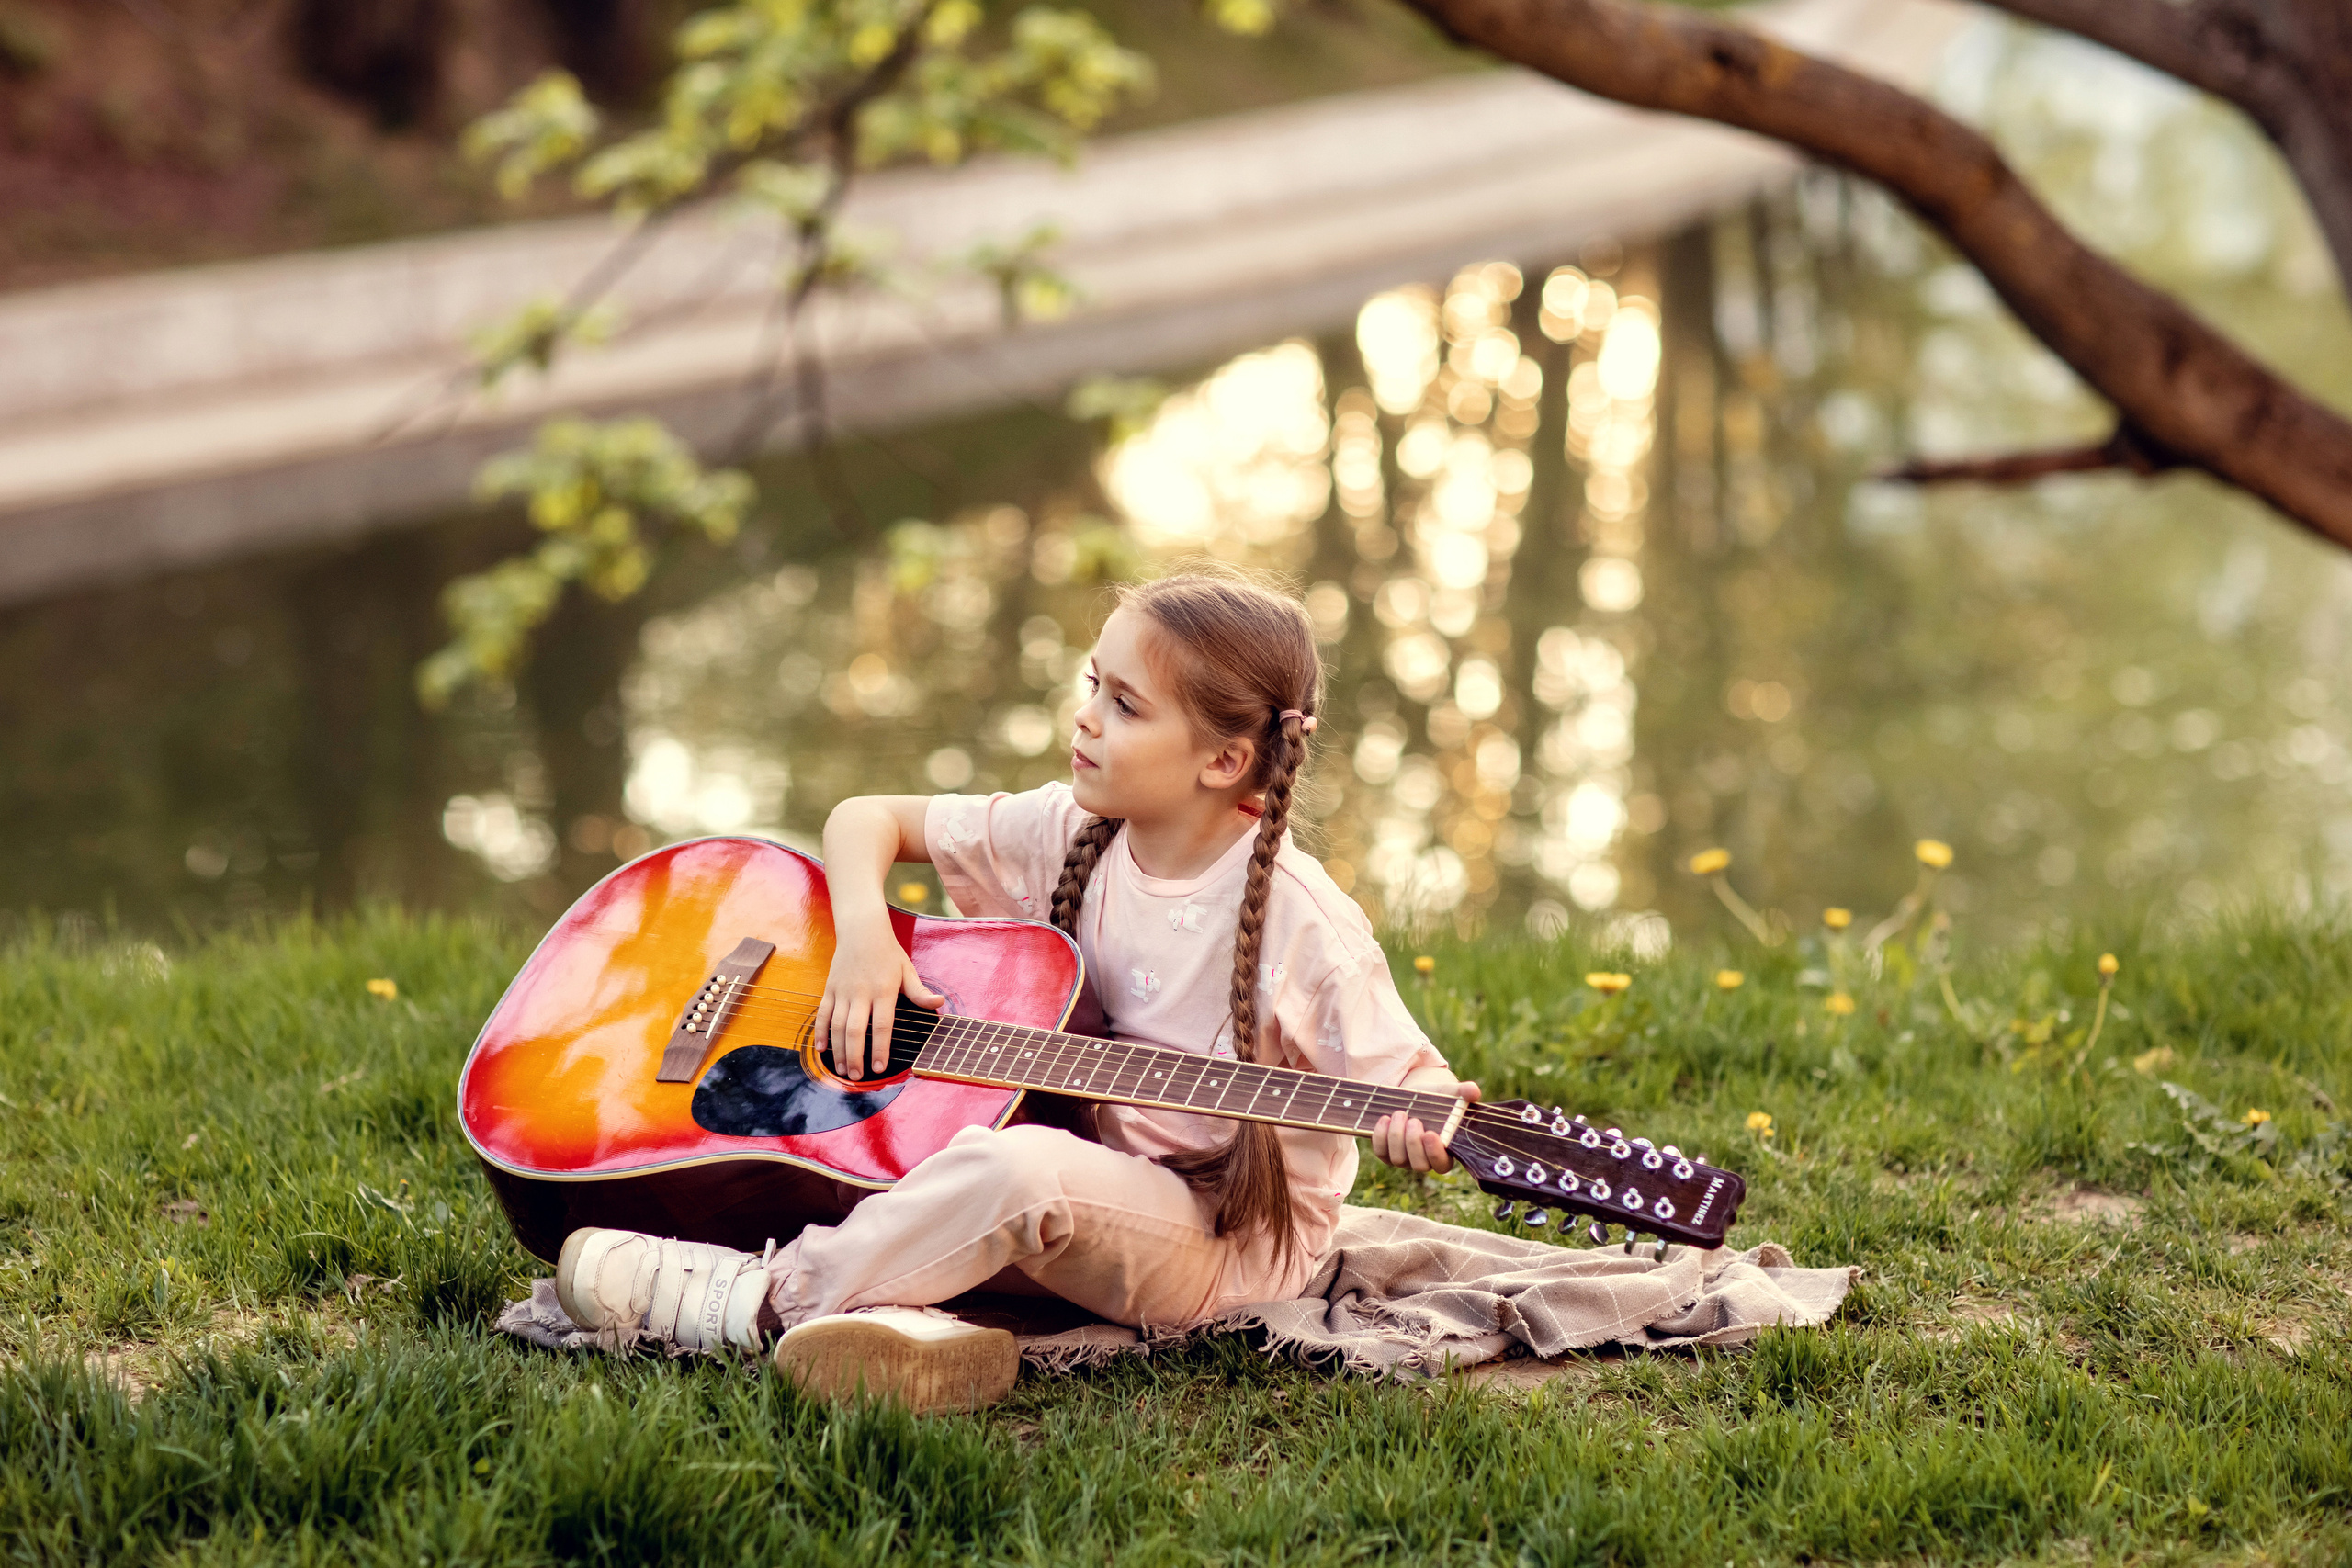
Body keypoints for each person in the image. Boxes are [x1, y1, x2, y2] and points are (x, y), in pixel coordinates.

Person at [553, 569, 1480, 1407]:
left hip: (1221, 1247)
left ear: (1223, 762)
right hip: (1085, 1189)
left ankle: (756, 1300)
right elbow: (861, 819)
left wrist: (1425, 1119)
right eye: (1092, 687)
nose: (1084, 719)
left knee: (1014, 1171)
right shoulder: (1072, 827)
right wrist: (865, 945)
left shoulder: (1302, 919)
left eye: (1124, 705)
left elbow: (1413, 1083)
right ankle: (909, 1329)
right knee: (950, 1145)